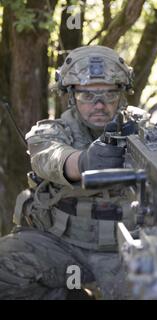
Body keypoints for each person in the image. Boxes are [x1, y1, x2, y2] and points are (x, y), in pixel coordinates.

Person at [0, 45, 139, 299]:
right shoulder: (49, 131)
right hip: (62, 244)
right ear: (71, 96)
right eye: (87, 95)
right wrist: (84, 162)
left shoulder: (143, 132)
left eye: (109, 94)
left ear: (122, 95)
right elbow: (50, 157)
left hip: (125, 248)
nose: (99, 105)